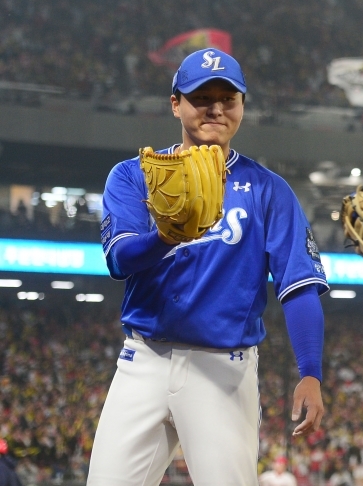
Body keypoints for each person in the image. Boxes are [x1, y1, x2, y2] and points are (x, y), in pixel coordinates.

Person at [88, 48, 328, 486]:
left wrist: (310, 371)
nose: (216, 108)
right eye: (202, 97)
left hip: (224, 368)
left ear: (241, 107)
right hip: (143, 360)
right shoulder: (133, 175)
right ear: (175, 103)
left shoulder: (268, 190)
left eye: (228, 98)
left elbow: (299, 286)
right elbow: (119, 260)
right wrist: (166, 236)